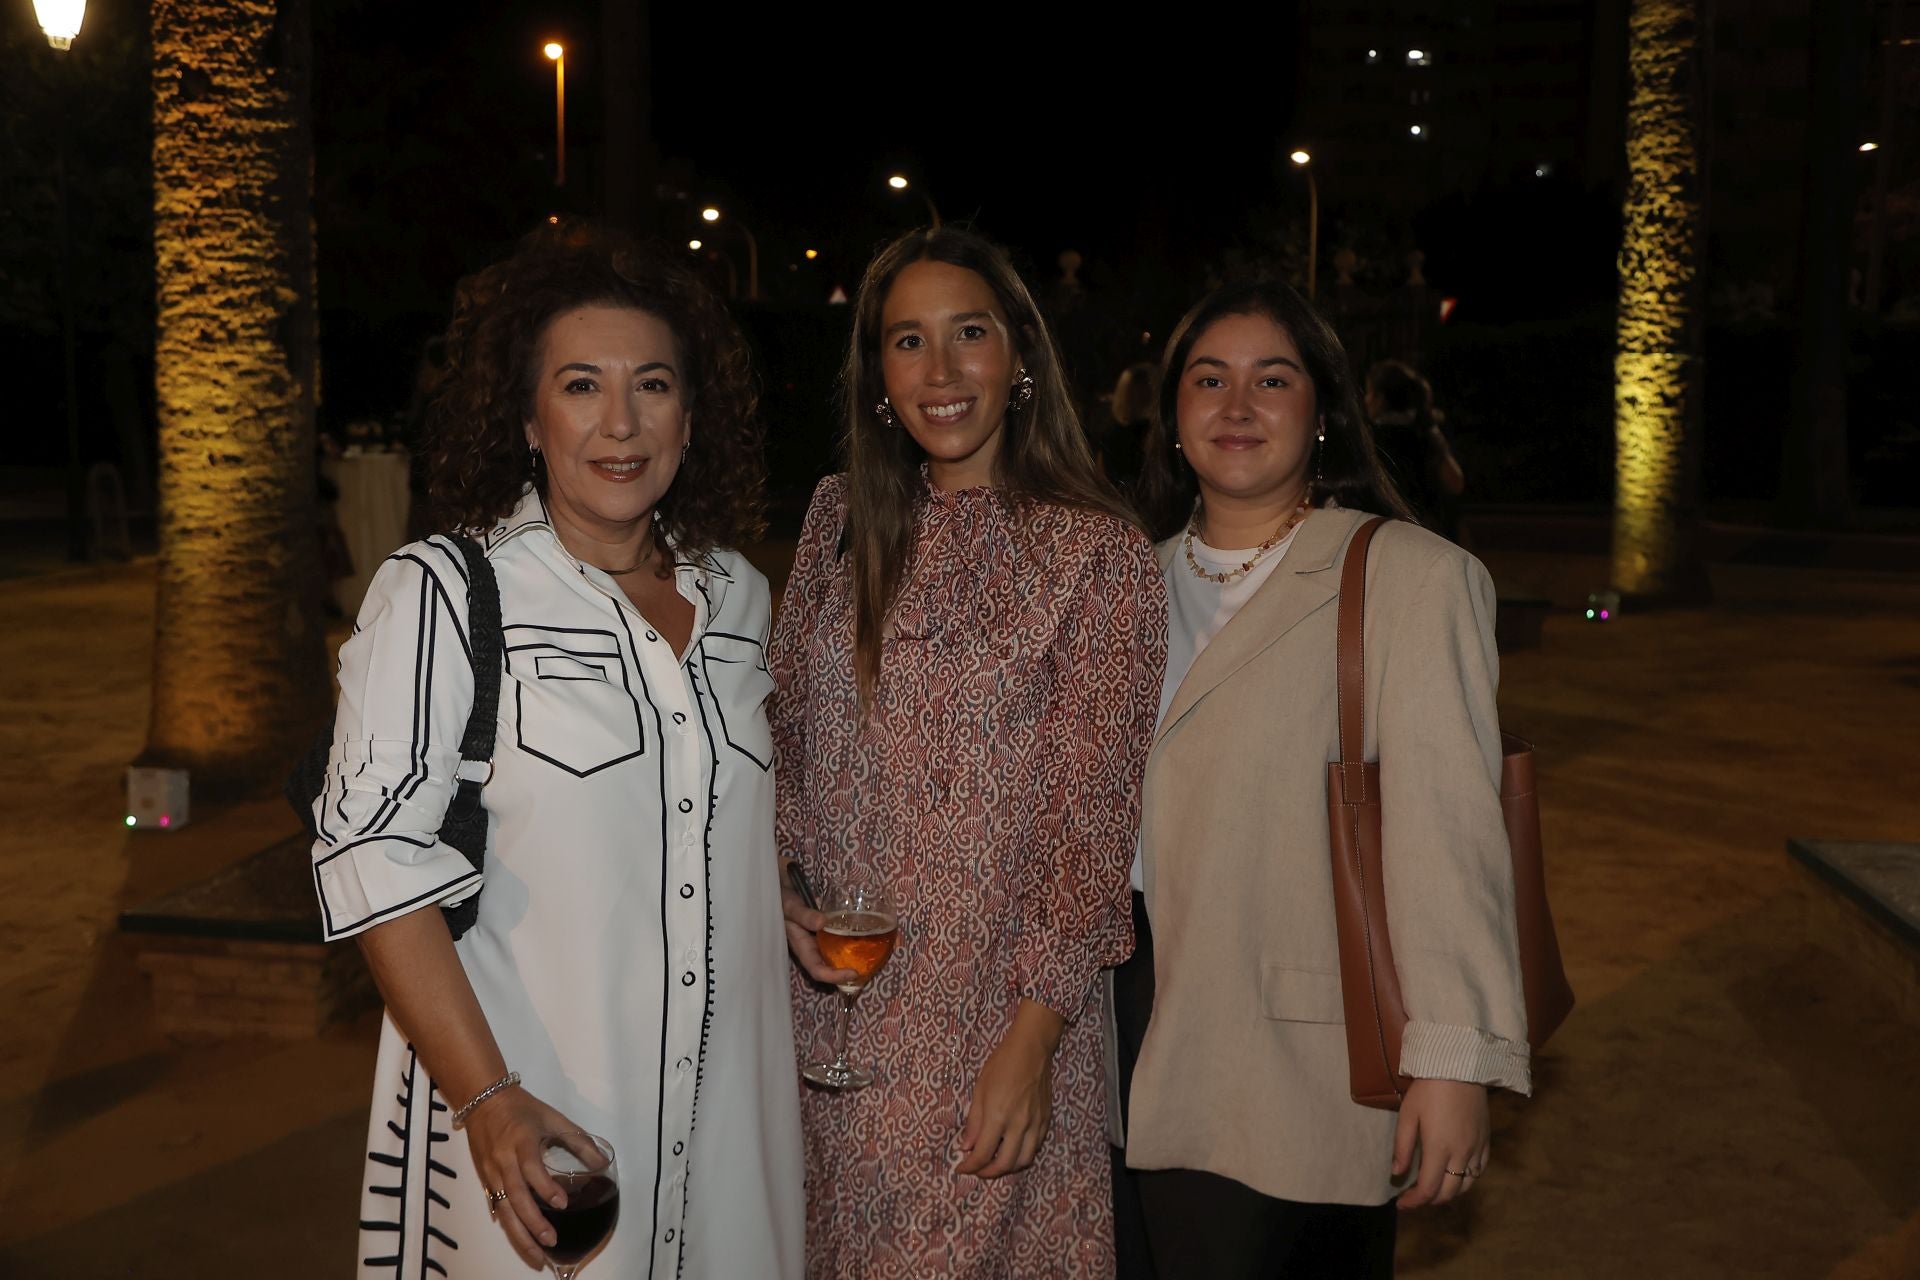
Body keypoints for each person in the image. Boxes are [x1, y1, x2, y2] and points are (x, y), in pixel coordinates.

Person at [309, 223, 803, 1279]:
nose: (620, 423)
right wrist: (489, 1099)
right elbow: (373, 860)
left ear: (690, 414)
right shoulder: (446, 593)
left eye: (654, 386)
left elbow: (710, 823)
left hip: (728, 1158)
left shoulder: (741, 599)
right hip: (538, 1146)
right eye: (581, 385)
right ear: (529, 418)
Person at [1111, 279, 1531, 1278]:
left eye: (1273, 378)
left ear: (1323, 411)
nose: (1237, 404)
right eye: (1208, 379)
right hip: (1117, 1039)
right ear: (1171, 414)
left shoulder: (1408, 577)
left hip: (1299, 1058)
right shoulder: (1120, 580)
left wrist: (1452, 1056)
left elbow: (1450, 830)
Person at [770, 225, 1166, 1278]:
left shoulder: (1097, 554)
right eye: (907, 340)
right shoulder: (835, 519)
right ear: (876, 372)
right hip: (826, 1024)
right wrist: (782, 886)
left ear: (1021, 357)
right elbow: (782, 740)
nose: (940, 371)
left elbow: (1092, 825)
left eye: (970, 333)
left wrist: (1032, 1044)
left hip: (995, 1034)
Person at [1365, 358, 1465, 543]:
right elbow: (1455, 482)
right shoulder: (1427, 434)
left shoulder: (1371, 439)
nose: (1366, 399)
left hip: (1389, 538)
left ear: (1381, 399)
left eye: (1369, 392)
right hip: (1432, 536)